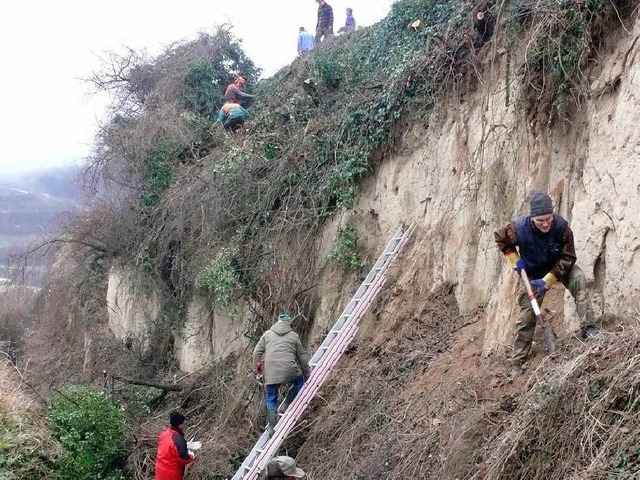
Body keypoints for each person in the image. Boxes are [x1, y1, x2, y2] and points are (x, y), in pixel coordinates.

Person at [494, 192, 597, 377]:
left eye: (548, 218)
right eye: (540, 220)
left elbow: (569, 257)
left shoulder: (562, 228)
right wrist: (515, 260)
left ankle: (589, 329)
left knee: (579, 279)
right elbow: (500, 238)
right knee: (527, 315)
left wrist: (549, 279)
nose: (545, 223)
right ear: (532, 218)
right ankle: (518, 362)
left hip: (559, 267)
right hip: (532, 274)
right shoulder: (519, 229)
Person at [253, 313, 311, 436]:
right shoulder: (294, 336)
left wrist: (259, 370)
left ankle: (271, 427)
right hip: (289, 370)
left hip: (271, 372)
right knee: (299, 381)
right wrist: (307, 373)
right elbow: (302, 357)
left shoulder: (267, 334)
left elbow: (256, 353)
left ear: (277, 322)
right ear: (289, 324)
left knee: (271, 398)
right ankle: (286, 404)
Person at [155, 410, 194, 480]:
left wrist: (185, 446)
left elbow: (169, 450)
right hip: (171, 475)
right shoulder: (178, 439)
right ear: (180, 425)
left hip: (159, 471)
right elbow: (184, 459)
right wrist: (191, 455)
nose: (186, 425)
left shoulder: (163, 434)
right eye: (184, 423)